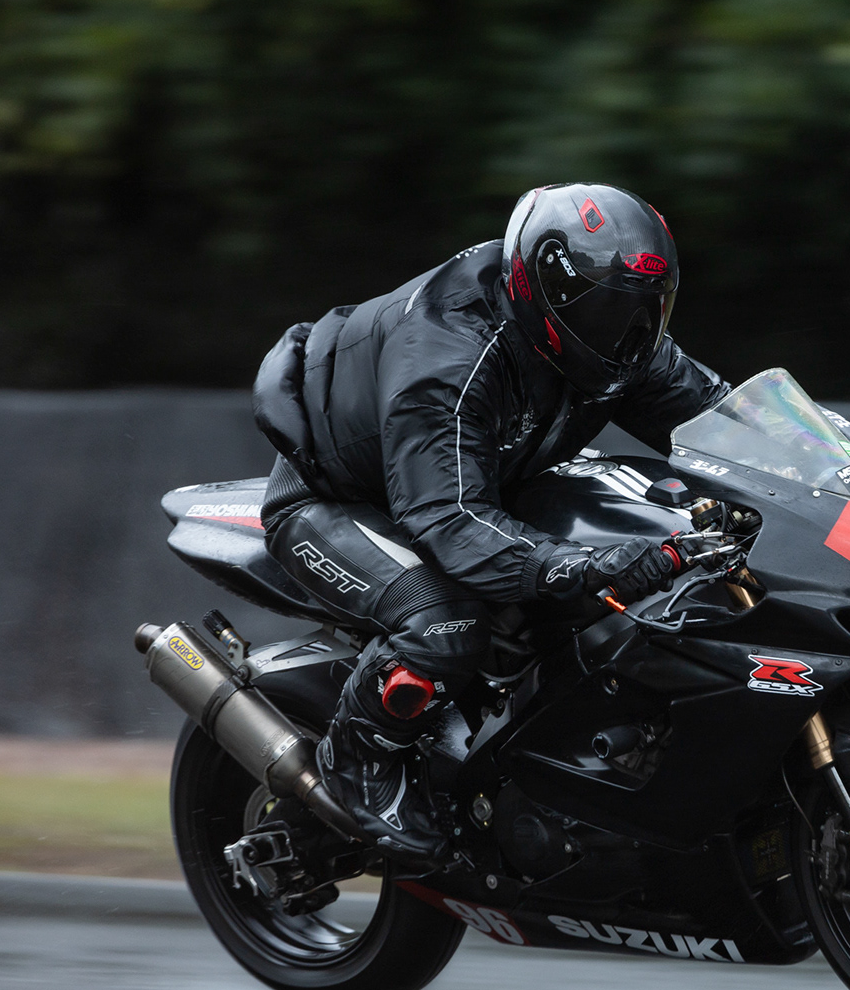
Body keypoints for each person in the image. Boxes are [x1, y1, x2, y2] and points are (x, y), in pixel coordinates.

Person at [251, 183, 728, 868]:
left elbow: (726, 423)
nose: (627, 332)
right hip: (342, 498)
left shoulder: (623, 348)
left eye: (646, 309)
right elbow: (451, 518)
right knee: (445, 625)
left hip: (484, 476)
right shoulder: (447, 354)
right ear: (546, 291)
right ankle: (355, 767)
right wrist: (584, 566)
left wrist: (840, 475)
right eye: (606, 308)